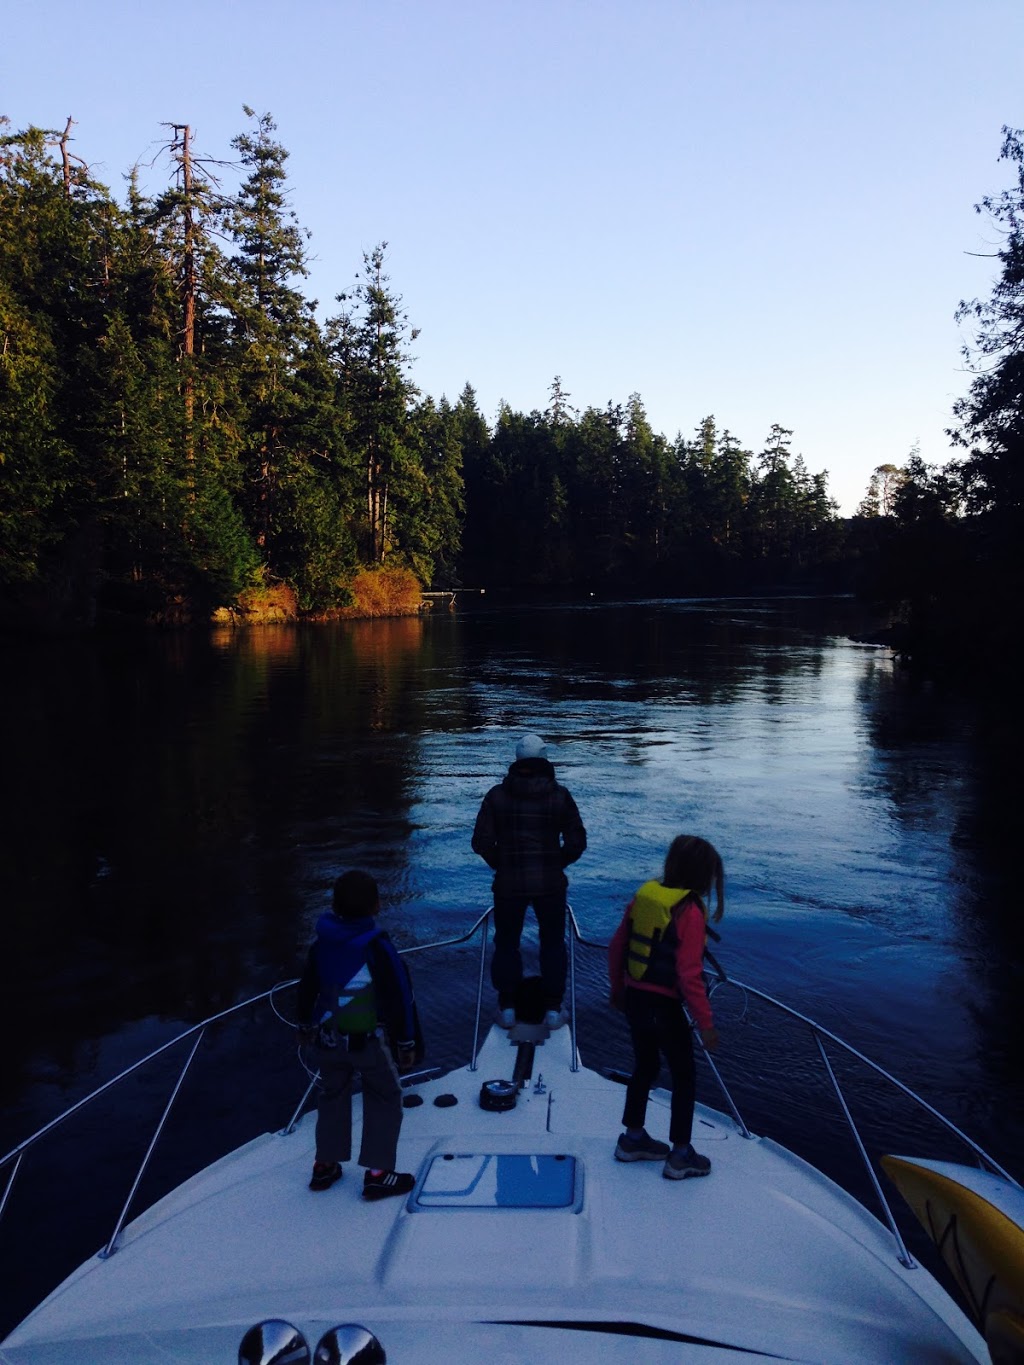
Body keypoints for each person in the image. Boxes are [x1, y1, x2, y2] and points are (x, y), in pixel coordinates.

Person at [297, 869, 423, 1199]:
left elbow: (307, 988)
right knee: (385, 1095)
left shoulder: (320, 945)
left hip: (327, 1039)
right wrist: (406, 1042)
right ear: (377, 906)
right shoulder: (378, 947)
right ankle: (379, 1173)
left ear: (334, 905)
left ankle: (324, 1165)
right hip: (367, 1041)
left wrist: (303, 1025)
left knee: (332, 1095)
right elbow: (400, 996)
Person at [607, 834, 724, 1180]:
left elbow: (616, 948)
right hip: (664, 1005)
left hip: (635, 1000)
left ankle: (632, 1138)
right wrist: (706, 1023)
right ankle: (681, 1155)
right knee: (684, 1076)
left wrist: (617, 989)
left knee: (644, 1067)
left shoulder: (644, 898)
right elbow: (689, 975)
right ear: (704, 876)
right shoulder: (688, 910)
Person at [471, 732, 587, 1030]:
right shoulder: (560, 796)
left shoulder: (496, 795)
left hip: (509, 884)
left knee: (506, 944)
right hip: (550, 885)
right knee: (553, 945)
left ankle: (507, 1008)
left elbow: (481, 841)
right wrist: (555, 862)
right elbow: (577, 843)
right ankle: (552, 1010)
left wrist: (503, 863)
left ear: (516, 760)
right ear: (545, 759)